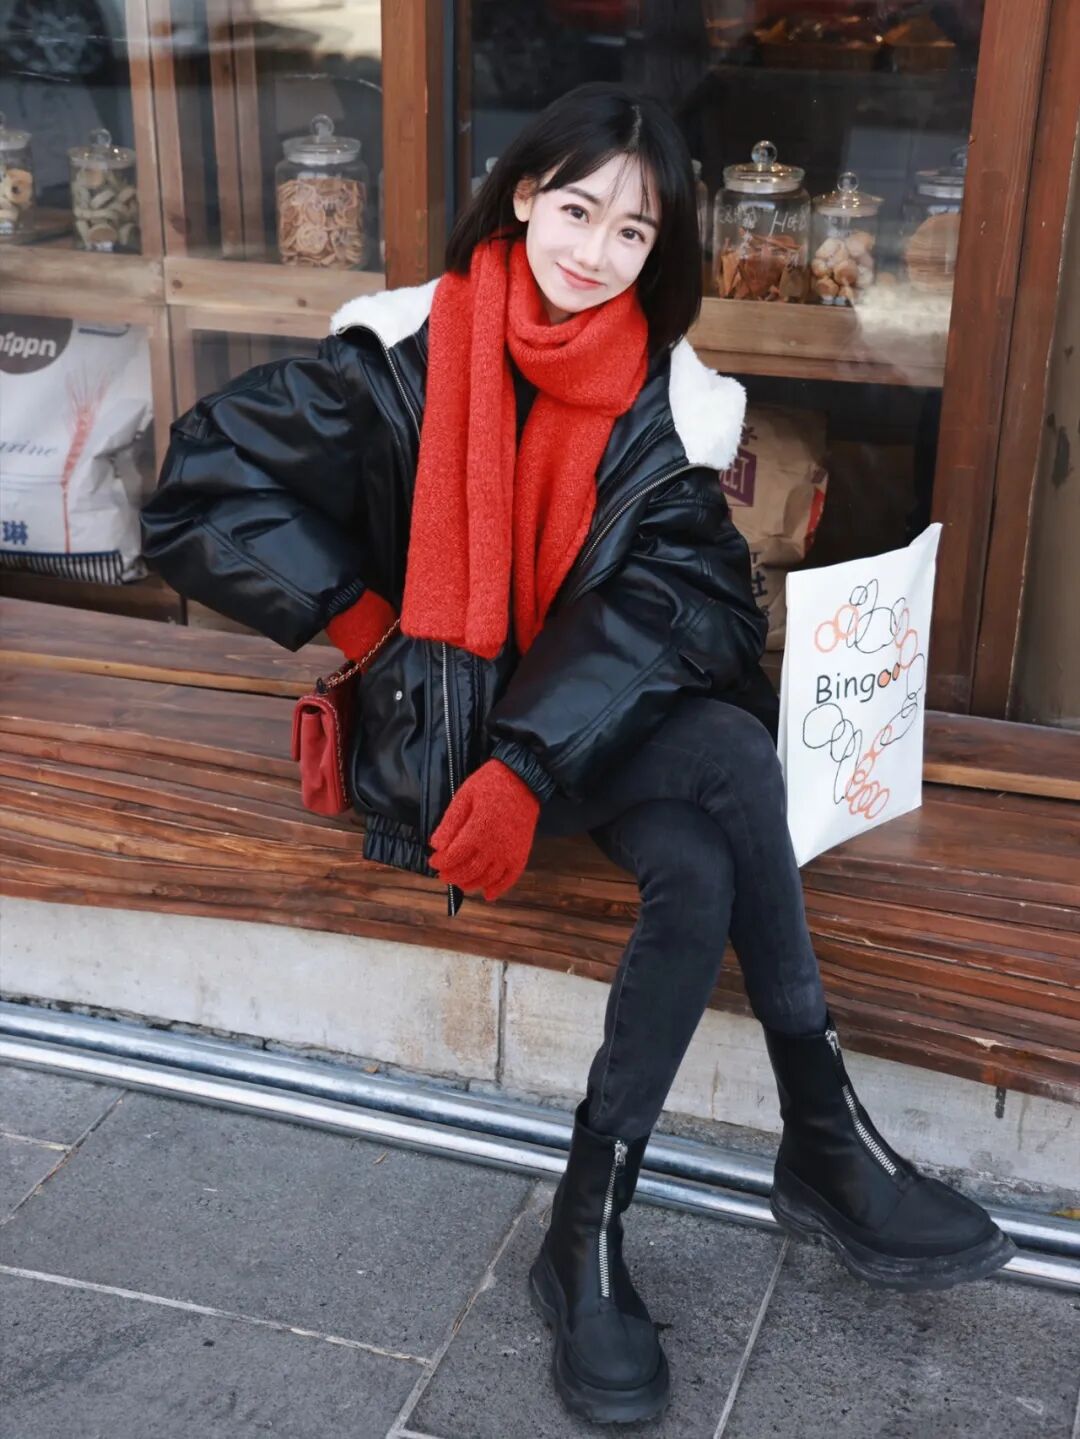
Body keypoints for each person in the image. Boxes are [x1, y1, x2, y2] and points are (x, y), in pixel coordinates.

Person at [141, 82, 1015, 1429]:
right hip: (441, 725)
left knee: (711, 819)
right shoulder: (398, 355)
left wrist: (534, 763)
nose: (597, 251)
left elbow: (693, 603)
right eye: (578, 210)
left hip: (566, 741)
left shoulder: (669, 405)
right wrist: (368, 623)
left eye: (634, 231)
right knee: (725, 774)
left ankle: (589, 1229)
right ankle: (820, 1147)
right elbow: (201, 488)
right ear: (523, 197)